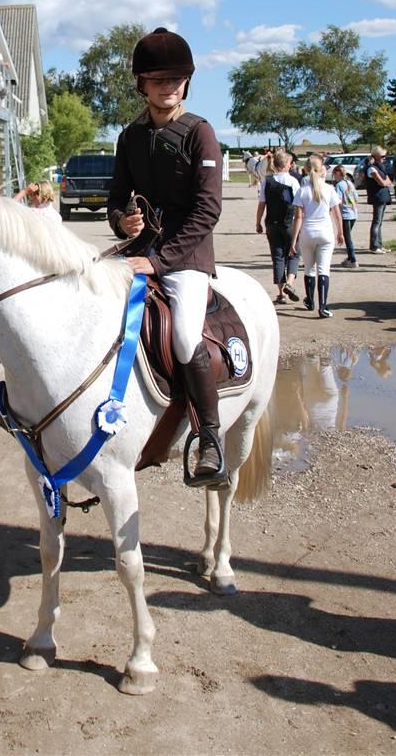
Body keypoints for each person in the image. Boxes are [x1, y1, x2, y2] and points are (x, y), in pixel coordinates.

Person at [107, 26, 225, 485]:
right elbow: (116, 199)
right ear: (142, 84)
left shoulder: (200, 134)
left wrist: (159, 262)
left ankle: (209, 438)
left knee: (183, 336)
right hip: (138, 250)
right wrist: (123, 222)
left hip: (186, 257)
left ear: (186, 82)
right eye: (158, 80)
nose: (168, 87)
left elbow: (207, 209)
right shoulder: (129, 137)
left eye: (175, 80)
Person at [289, 154, 344, 318]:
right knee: (323, 269)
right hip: (325, 232)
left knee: (309, 269)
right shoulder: (330, 189)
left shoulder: (302, 191)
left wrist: (294, 239)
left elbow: (298, 218)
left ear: (306, 169)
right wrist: (340, 232)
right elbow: (337, 215)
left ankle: (310, 301)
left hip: (307, 233)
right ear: (322, 170)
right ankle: (323, 306)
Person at [255, 149, 300, 304]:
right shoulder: (293, 181)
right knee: (294, 253)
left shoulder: (266, 181)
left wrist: (258, 222)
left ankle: (281, 293)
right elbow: (299, 205)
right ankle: (290, 283)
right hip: (289, 222)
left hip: (272, 223)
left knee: (277, 256)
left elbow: (262, 204)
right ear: (287, 164)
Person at [364, 146, 392, 253]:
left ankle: (379, 244)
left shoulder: (380, 168)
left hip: (383, 196)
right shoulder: (372, 169)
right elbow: (382, 182)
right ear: (376, 156)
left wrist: (386, 182)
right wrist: (386, 182)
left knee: (379, 222)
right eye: (382, 156)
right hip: (377, 197)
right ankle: (374, 246)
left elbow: (388, 180)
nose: (385, 158)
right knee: (376, 221)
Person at [332, 164, 359, 268]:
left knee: (347, 238)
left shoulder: (339, 185)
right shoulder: (349, 183)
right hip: (353, 213)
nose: (334, 177)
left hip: (345, 214)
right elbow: (356, 198)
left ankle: (353, 260)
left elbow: (337, 200)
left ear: (337, 173)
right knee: (348, 236)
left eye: (334, 174)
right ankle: (349, 258)